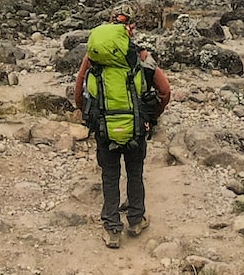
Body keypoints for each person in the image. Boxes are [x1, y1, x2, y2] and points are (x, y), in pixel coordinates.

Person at [70, 14, 173, 248]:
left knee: (110, 175)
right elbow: (165, 91)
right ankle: (136, 220)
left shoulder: (93, 58)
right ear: (129, 30)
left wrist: (89, 115)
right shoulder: (141, 56)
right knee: (135, 172)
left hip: (105, 128)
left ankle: (112, 229)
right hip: (137, 128)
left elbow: (79, 91)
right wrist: (151, 117)